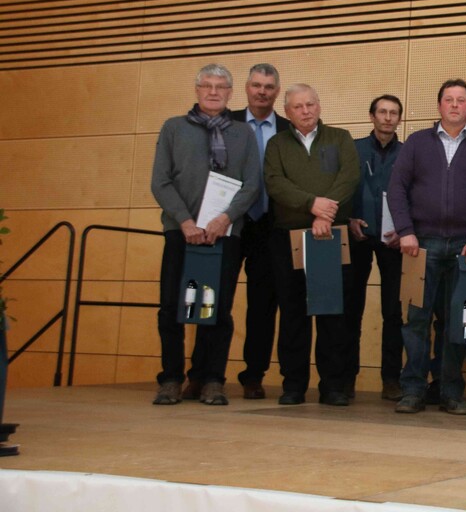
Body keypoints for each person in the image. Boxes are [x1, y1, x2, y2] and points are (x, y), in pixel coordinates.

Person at [388, 79, 466, 415]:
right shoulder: (416, 142)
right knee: (415, 321)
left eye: (461, 101)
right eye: (448, 100)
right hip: (418, 246)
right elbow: (397, 189)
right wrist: (405, 231)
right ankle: (412, 390)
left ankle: (451, 391)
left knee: (462, 322)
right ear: (439, 106)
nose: (455, 106)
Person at [150, 63, 260, 406]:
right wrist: (185, 221)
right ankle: (170, 379)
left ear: (230, 93)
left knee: (217, 309)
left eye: (221, 87)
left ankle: (212, 379)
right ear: (197, 90)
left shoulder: (243, 134)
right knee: (171, 306)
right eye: (207, 86)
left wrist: (223, 219)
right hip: (180, 233)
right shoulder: (173, 128)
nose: (214, 92)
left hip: (224, 235)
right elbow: (160, 181)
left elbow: (251, 184)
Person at [264, 84, 360, 406]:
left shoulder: (341, 138)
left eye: (310, 104)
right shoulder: (276, 144)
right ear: (287, 112)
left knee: (332, 315)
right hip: (288, 237)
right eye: (297, 107)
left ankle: (332, 386)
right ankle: (293, 386)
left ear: (319, 105)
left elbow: (349, 176)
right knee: (293, 314)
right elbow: (275, 183)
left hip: (330, 236)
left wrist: (326, 212)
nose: (305, 111)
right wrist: (311, 204)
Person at [231, 63, 290, 401]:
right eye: (257, 85)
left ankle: (253, 375)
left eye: (269, 86)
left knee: (263, 306)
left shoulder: (287, 128)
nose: (262, 91)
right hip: (228, 222)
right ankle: (203, 374)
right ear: (247, 88)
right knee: (217, 300)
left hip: (270, 225)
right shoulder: (227, 123)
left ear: (277, 92)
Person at [347, 94, 405, 402]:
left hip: (394, 241)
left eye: (393, 113)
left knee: (394, 312)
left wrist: (405, 229)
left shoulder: (409, 153)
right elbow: (340, 188)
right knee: (351, 308)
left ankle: (391, 379)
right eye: (382, 112)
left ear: (399, 119)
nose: (387, 117)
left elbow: (416, 195)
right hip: (358, 234)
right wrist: (348, 218)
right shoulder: (353, 149)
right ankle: (346, 378)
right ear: (371, 116)